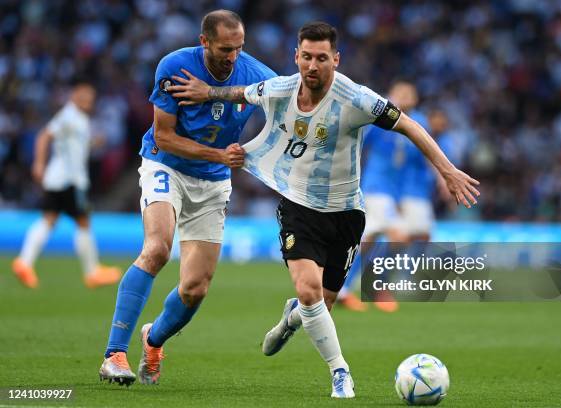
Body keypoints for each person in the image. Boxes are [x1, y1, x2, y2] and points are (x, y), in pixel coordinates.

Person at [172, 21, 479, 398]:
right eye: (306, 57)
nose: (312, 66)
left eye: (321, 58)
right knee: (309, 290)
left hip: (347, 212)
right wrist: (207, 93)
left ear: (336, 59)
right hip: (298, 205)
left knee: (323, 303)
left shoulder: (357, 98)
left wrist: (447, 171)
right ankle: (340, 373)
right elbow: (242, 92)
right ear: (296, 57)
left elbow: (408, 125)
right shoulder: (282, 87)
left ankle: (292, 319)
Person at [98, 10, 275, 386]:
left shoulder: (257, 74)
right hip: (167, 167)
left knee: (196, 288)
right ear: (204, 42)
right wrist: (220, 155)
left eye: (239, 49)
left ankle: (154, 341)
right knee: (158, 249)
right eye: (226, 49)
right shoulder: (175, 66)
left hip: (212, 184)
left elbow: (291, 107)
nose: (233, 57)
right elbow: (164, 136)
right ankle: (114, 353)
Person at [11, 80, 121, 289]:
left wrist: (92, 143)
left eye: (91, 97)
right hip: (68, 180)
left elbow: (71, 145)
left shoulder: (77, 118)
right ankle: (92, 272)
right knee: (83, 221)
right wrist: (39, 163)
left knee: (49, 219)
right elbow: (45, 136)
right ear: (75, 94)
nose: (89, 100)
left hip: (60, 179)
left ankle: (24, 262)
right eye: (85, 95)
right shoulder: (69, 115)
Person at [337, 79, 429, 313]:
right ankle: (375, 287)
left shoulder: (417, 124)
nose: (404, 97)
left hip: (392, 193)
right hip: (375, 188)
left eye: (408, 93)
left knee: (369, 241)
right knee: (399, 236)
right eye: (399, 93)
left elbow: (412, 164)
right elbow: (358, 143)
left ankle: (344, 288)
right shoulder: (380, 121)